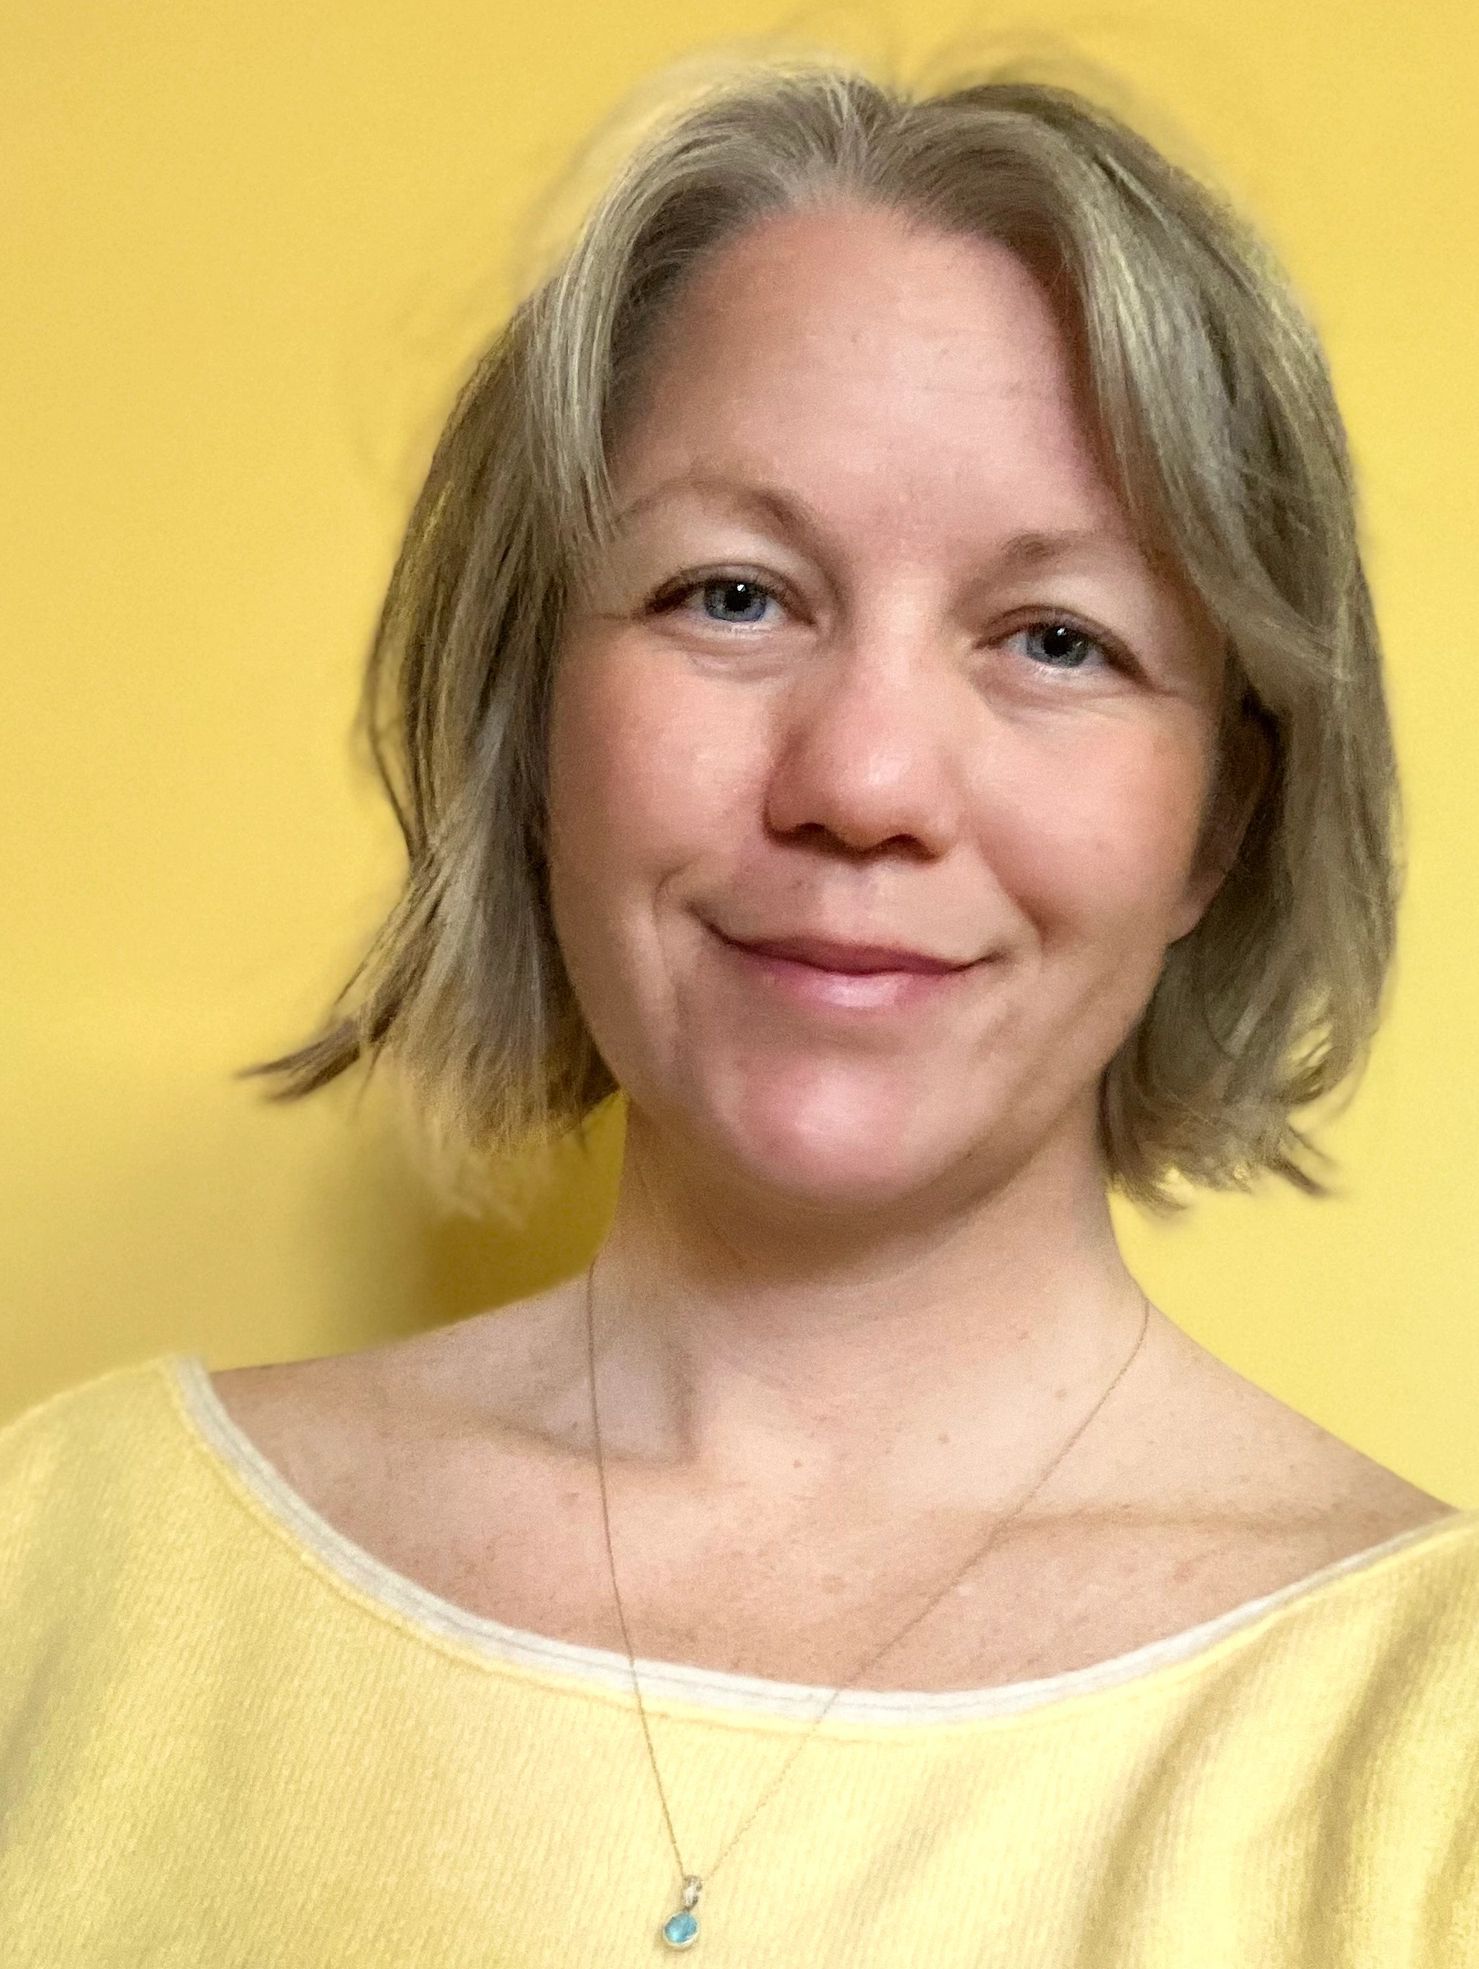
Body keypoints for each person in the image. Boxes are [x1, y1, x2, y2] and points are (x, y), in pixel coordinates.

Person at [3, 53, 1477, 1968]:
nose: (861, 778)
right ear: (538, 726)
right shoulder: (66, 1564)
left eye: (1058, 638)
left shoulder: (1430, 1745)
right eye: (732, 596)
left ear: (1225, 818)